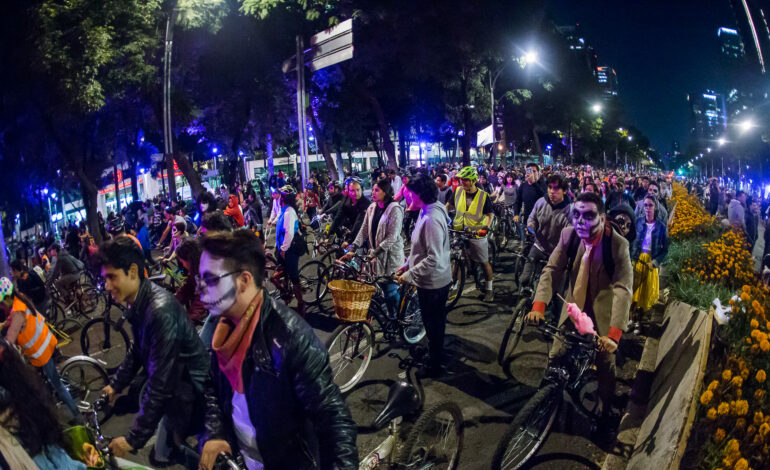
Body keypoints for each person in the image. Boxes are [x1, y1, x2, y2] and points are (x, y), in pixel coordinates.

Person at [197, 230, 357, 470]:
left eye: (210, 280)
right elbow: (210, 386)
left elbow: (334, 423)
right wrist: (214, 433)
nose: (200, 289)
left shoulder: (291, 338)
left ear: (243, 280)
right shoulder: (221, 329)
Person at [525, 192, 633, 441]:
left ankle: (605, 412)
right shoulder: (569, 235)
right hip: (573, 311)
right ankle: (545, 404)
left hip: (603, 317)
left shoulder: (618, 245)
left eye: (589, 215)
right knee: (555, 357)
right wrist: (538, 306)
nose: (581, 221)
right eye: (577, 214)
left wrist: (614, 335)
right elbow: (552, 270)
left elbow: (622, 290)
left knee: (605, 365)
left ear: (603, 218)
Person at [97, 237, 211, 467]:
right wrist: (116, 385)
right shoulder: (140, 302)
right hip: (177, 392)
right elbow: (137, 351)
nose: (107, 286)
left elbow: (160, 381)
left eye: (112, 277)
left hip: (195, 392)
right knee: (164, 452)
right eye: (104, 279)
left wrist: (133, 439)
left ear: (132, 271)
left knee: (180, 453)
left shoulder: (158, 311)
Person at [0, 278, 82, 424]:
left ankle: (77, 415)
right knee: (47, 381)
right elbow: (10, 321)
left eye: (1, 302)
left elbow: (9, 341)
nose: (1, 306)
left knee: (57, 385)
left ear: (7, 298)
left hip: (41, 352)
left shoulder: (18, 312)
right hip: (46, 342)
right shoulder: (21, 300)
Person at [396, 174, 452, 378]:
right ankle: (433, 353)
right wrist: (406, 265)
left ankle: (434, 364)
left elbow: (433, 258)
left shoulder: (431, 218)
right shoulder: (427, 210)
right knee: (433, 322)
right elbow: (419, 249)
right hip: (430, 279)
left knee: (434, 323)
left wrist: (410, 274)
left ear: (420, 194)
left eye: (410, 193)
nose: (407, 196)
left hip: (434, 282)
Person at [0, 337, 86, 469]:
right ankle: (77, 414)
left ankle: (77, 414)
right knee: (58, 385)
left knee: (58, 386)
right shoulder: (30, 403)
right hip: (42, 353)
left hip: (40, 356)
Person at [344, 178, 404, 314]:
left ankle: (398, 317)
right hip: (376, 256)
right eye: (372, 190)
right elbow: (364, 230)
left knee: (390, 290)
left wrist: (375, 252)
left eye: (377, 190)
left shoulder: (395, 209)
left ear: (386, 192)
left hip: (390, 256)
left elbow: (392, 237)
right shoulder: (371, 207)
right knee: (377, 287)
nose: (373, 193)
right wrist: (353, 248)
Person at [448, 166, 496, 302]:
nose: (462, 182)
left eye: (466, 180)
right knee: (457, 257)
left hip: (476, 234)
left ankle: (489, 289)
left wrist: (485, 227)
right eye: (461, 179)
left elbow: (489, 215)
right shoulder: (457, 191)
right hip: (458, 231)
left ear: (474, 180)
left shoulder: (483, 195)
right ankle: (454, 284)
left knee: (483, 261)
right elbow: (447, 207)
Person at [520, 174, 572, 294]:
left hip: (557, 252)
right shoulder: (541, 202)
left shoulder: (570, 210)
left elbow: (570, 235)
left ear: (564, 191)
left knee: (555, 292)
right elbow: (532, 218)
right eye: (550, 187)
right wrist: (531, 227)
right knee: (525, 279)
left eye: (556, 188)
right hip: (539, 246)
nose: (552, 192)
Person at [273, 185, 308, 316]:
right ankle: (287, 297)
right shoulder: (283, 210)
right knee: (279, 276)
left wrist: (283, 249)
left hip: (290, 249)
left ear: (284, 198)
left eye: (280, 196)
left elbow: (289, 233)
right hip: (282, 248)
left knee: (294, 278)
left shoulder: (289, 212)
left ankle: (301, 303)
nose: (278, 198)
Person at [630, 195, 668, 315]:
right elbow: (631, 241)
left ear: (655, 207)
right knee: (634, 292)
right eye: (645, 205)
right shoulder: (638, 222)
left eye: (650, 205)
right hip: (637, 259)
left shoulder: (661, 226)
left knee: (645, 295)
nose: (647, 208)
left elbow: (665, 249)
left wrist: (655, 262)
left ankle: (640, 321)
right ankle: (632, 318)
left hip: (650, 262)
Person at [175, 239, 207, 326]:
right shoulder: (195, 270)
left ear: (189, 260)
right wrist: (170, 302)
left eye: (182, 262)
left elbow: (202, 299)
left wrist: (189, 318)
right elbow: (186, 289)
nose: (183, 266)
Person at [329, 178, 370, 243]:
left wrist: (349, 240)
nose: (356, 193)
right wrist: (330, 234)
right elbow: (339, 216)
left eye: (358, 190)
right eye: (352, 190)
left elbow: (359, 222)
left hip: (365, 234)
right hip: (352, 231)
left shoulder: (365, 203)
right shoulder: (346, 200)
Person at [514, 163, 546, 242]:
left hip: (541, 220)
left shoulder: (543, 184)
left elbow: (545, 197)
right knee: (529, 242)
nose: (531, 174)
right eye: (529, 171)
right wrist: (516, 213)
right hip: (528, 219)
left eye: (534, 171)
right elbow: (518, 200)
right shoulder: (523, 185)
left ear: (538, 173)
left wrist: (534, 183)